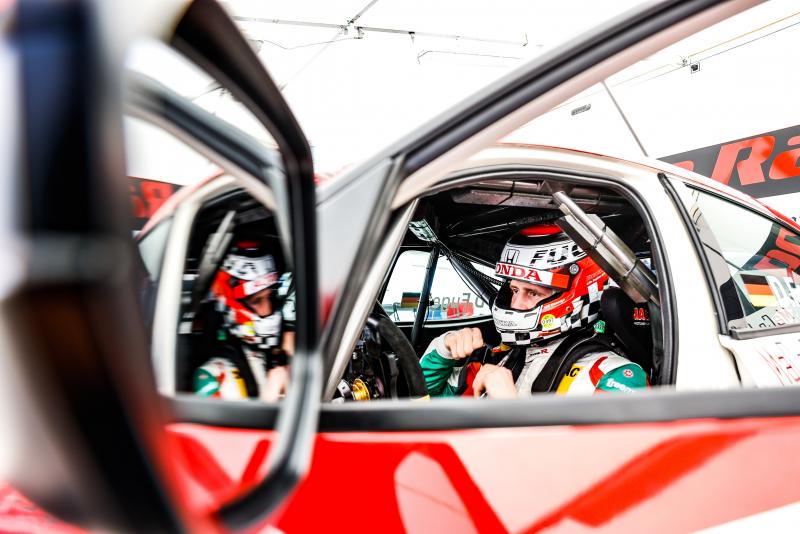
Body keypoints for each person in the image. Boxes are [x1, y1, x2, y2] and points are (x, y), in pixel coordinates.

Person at [420, 226, 648, 398]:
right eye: (514, 290)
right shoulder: (505, 357)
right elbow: (425, 402)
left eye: (533, 293)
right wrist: (443, 350)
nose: (516, 304)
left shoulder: (613, 376)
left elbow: (615, 450)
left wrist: (508, 410)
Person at [192, 241, 293, 401]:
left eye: (269, 297)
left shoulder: (278, 354)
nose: (267, 310)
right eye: (256, 301)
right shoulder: (213, 377)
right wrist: (271, 394)